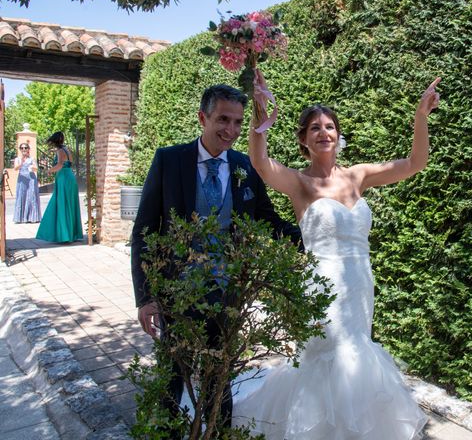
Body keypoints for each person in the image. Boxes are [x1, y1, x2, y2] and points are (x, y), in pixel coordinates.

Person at [232, 71, 441, 439]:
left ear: (338, 135)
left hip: (360, 284)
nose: (324, 132)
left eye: (330, 126)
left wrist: (421, 117)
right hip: (321, 287)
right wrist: (259, 117)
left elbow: (414, 163)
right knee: (327, 357)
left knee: (357, 354)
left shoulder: (358, 176)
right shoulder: (298, 182)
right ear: (303, 139)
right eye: (314, 128)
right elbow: (261, 163)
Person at [131, 84, 301, 427]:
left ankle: (219, 434)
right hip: (177, 294)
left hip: (227, 292)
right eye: (223, 119)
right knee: (173, 379)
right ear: (202, 117)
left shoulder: (245, 165)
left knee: (219, 379)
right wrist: (146, 297)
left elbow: (266, 219)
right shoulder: (170, 160)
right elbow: (144, 230)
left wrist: (313, 236)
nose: (231, 130)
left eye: (238, 122)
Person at [36, 132, 83, 243]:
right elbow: (68, 163)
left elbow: (60, 165)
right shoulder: (67, 149)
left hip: (64, 178)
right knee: (70, 204)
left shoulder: (60, 151)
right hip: (70, 177)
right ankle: (72, 234)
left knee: (62, 204)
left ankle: (65, 235)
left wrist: (49, 171)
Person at [13, 142, 41, 223]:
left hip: (31, 179)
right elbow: (15, 168)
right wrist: (21, 162)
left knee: (31, 197)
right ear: (20, 150)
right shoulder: (17, 159)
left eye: (25, 148)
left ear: (28, 149)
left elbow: (36, 168)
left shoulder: (32, 158)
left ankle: (32, 217)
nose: (24, 149)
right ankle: (20, 218)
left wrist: (33, 167)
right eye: (22, 148)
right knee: (21, 196)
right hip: (22, 179)